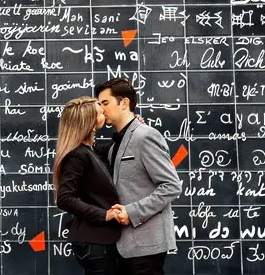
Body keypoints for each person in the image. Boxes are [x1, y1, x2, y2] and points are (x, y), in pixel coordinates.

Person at [95, 78, 182, 275]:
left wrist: (132, 212)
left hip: (147, 245)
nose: (101, 109)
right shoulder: (116, 144)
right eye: (99, 104)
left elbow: (171, 186)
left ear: (124, 103)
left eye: (105, 103)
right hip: (125, 246)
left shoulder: (145, 136)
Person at [54, 97, 124, 275]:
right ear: (90, 122)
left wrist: (129, 128)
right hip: (95, 244)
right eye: (100, 111)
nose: (104, 111)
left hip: (98, 242)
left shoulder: (89, 151)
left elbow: (115, 149)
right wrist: (104, 215)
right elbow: (64, 198)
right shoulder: (78, 155)